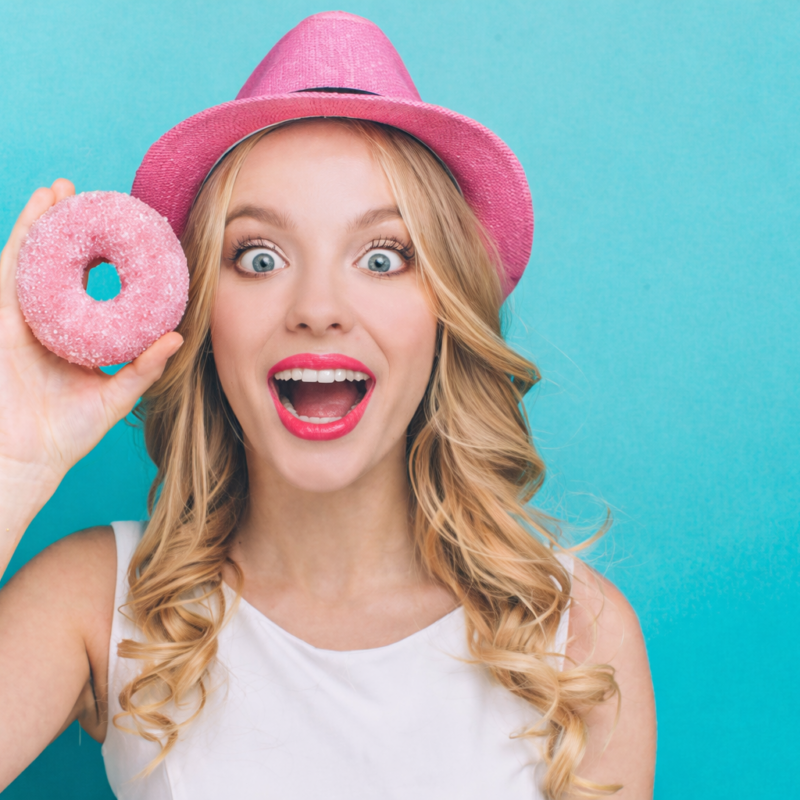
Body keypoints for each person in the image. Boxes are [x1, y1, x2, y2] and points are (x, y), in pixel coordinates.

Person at [0, 12, 656, 800]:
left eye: (382, 257)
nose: (317, 307)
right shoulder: (95, 602)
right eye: (260, 257)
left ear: (444, 313)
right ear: (202, 313)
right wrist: (10, 462)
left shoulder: (575, 632)